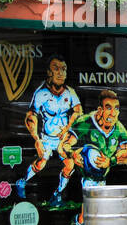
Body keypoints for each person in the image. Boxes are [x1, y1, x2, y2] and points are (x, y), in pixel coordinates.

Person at [55, 90, 127, 225]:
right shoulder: (85, 123)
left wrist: (110, 161)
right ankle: (60, 194)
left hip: (103, 176)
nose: (113, 112)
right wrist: (73, 154)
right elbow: (63, 146)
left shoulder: (119, 129)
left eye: (116, 108)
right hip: (85, 175)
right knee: (93, 212)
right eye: (109, 107)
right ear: (100, 110)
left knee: (89, 216)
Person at [14, 55, 81, 205]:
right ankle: (22, 182)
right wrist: (37, 139)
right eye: (56, 69)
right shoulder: (40, 93)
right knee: (41, 162)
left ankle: (57, 195)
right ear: (48, 72)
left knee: (70, 164)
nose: (60, 73)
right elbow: (31, 115)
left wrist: (67, 128)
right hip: (47, 136)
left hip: (63, 136)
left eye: (63, 69)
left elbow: (78, 111)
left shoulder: (70, 92)